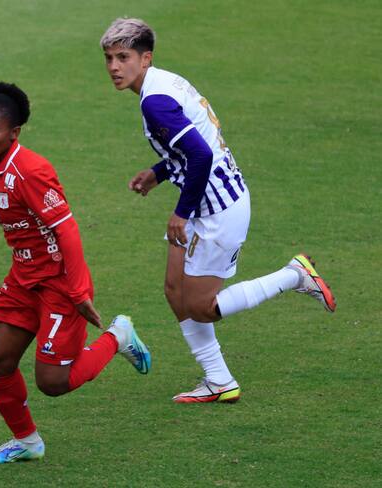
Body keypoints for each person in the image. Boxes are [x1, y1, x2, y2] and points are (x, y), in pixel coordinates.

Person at [99, 18, 336, 404]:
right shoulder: (162, 83)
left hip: (217, 209)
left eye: (123, 57)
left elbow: (200, 153)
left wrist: (181, 211)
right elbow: (194, 143)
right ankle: (219, 380)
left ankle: (293, 276)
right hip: (204, 202)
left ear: (145, 59)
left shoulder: (155, 102)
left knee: (201, 306)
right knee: (175, 290)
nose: (113, 66)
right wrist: (158, 173)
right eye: (109, 58)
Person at [0, 82, 151, 463]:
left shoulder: (31, 171)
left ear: (13, 133)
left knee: (53, 382)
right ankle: (28, 442)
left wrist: (79, 291)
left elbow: (67, 229)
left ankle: (118, 336)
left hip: (60, 284)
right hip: (23, 279)